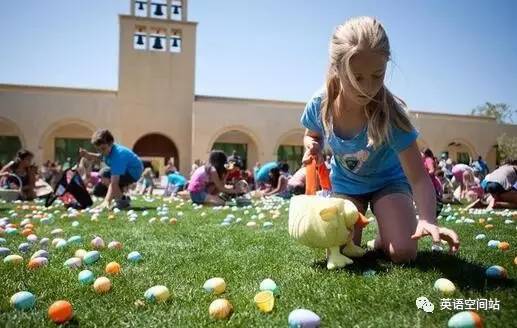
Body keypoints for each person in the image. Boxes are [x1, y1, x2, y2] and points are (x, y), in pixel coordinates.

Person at [300, 17, 459, 263]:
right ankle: (382, 235)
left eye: (378, 75)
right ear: (337, 69)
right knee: (340, 251)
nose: (368, 87)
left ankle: (385, 238)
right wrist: (313, 145)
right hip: (346, 186)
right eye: (357, 77)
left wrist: (427, 219)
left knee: (404, 252)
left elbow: (418, 178)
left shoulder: (391, 114)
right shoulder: (321, 104)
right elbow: (312, 134)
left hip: (388, 183)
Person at [79, 129, 143, 210]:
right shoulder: (108, 151)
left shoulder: (118, 156)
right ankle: (122, 197)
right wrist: (87, 155)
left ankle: (123, 202)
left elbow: (114, 182)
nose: (101, 152)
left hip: (133, 173)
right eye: (98, 149)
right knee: (98, 191)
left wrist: (107, 201)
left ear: (111, 143)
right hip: (127, 171)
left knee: (104, 174)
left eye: (103, 149)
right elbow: (100, 157)